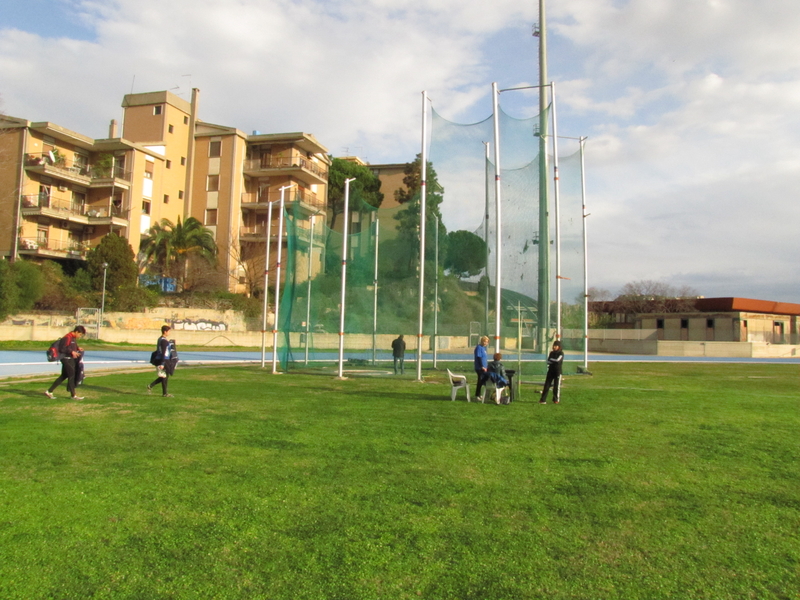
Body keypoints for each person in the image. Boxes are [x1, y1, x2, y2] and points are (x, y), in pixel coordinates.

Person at [45, 325, 87, 400]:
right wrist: (72, 352)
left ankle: (49, 391)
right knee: (71, 375)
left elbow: (71, 346)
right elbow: (62, 348)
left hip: (70, 359)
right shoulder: (67, 337)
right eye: (80, 334)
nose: (80, 336)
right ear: (76, 332)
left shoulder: (73, 338)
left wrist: (77, 348)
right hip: (66, 359)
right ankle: (73, 395)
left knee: (64, 376)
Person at [147, 325, 176, 397]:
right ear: (165, 331)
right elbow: (163, 352)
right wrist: (162, 363)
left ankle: (152, 386)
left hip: (162, 359)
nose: (169, 333)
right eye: (168, 331)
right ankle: (164, 393)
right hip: (163, 359)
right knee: (165, 376)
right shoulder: (163, 340)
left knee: (164, 376)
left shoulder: (160, 339)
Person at [540, 340, 564, 404]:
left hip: (557, 372)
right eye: (554, 346)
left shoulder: (561, 353)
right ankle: (543, 400)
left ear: (559, 347)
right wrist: (552, 361)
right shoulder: (551, 353)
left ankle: (556, 399)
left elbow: (557, 360)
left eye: (556, 346)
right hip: (551, 371)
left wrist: (551, 360)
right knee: (547, 385)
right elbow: (548, 361)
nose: (554, 347)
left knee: (556, 386)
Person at [473, 335, 490, 401]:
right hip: (479, 368)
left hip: (484, 368)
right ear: (482, 341)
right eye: (484, 341)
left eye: (487, 342)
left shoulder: (483, 348)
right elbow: (479, 357)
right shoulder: (479, 348)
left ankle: (480, 394)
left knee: (483, 381)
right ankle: (477, 395)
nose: (485, 343)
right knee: (480, 381)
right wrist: (482, 366)